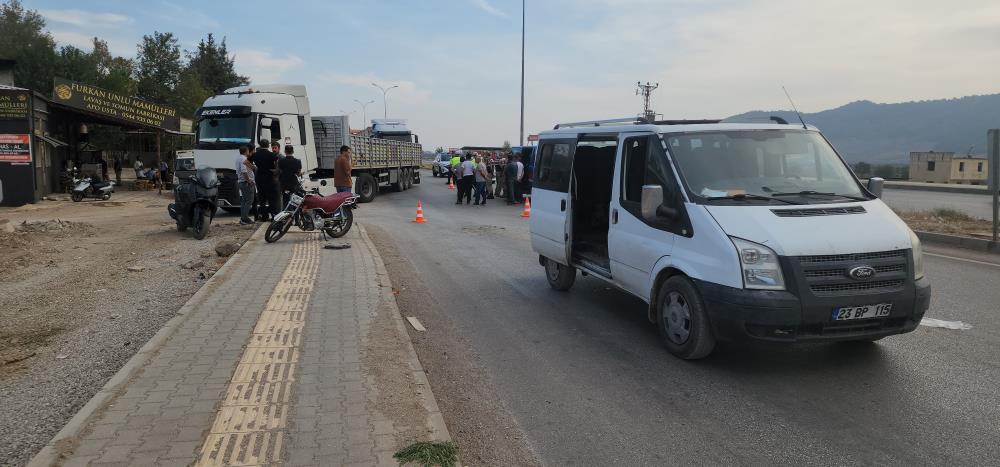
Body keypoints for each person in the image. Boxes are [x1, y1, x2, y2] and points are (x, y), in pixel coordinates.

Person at [251, 138, 279, 220]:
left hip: (259, 177)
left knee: (262, 199)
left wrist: (255, 168)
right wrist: (275, 171)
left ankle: (264, 216)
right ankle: (274, 216)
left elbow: (246, 162)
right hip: (269, 178)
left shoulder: (255, 154)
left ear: (260, 145)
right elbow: (277, 164)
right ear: (268, 145)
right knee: (271, 198)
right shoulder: (272, 155)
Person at [236, 145, 257, 225]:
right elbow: (244, 171)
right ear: (246, 151)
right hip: (246, 182)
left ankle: (243, 218)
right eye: (248, 150)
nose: (249, 152)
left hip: (242, 182)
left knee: (244, 201)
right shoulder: (243, 159)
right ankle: (245, 218)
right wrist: (249, 181)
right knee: (249, 200)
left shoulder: (238, 158)